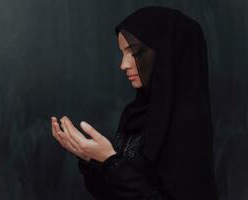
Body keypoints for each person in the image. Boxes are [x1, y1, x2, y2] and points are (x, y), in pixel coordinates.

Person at [51, 6, 219, 200]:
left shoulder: (188, 124)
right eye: (123, 53)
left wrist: (110, 161)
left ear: (164, 54)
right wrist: (90, 158)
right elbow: (112, 193)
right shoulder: (134, 114)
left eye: (134, 53)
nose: (123, 64)